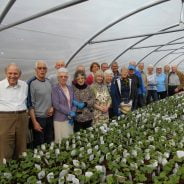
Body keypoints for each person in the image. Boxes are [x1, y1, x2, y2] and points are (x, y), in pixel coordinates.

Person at [0, 63, 28, 163]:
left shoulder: (24, 85)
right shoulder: (0, 86)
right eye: (10, 73)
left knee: (21, 146)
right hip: (5, 118)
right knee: (5, 146)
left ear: (19, 74)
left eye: (15, 73)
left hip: (22, 117)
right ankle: (4, 172)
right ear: (5, 73)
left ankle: (21, 168)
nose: (12, 76)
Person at [27, 60, 54, 148]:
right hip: (39, 118)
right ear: (35, 69)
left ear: (46, 70)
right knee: (39, 144)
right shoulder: (31, 83)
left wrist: (52, 107)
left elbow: (51, 98)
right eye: (39, 68)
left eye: (44, 68)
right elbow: (30, 104)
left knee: (49, 141)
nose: (42, 70)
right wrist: (34, 122)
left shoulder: (48, 81)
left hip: (49, 117)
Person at [52, 68, 76, 143]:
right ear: (58, 78)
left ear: (67, 77)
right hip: (60, 119)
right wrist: (69, 112)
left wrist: (73, 111)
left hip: (70, 119)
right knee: (61, 141)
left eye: (65, 76)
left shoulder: (70, 88)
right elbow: (56, 105)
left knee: (70, 139)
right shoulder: (55, 89)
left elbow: (74, 101)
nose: (63, 78)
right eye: (61, 76)